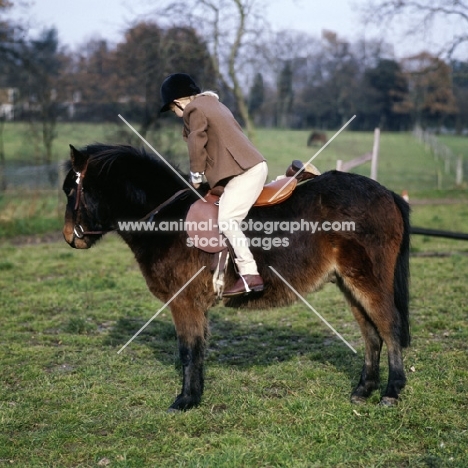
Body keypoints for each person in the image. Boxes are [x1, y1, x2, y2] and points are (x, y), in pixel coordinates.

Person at [160, 73, 268, 297]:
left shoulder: (194, 109)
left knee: (228, 220)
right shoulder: (214, 105)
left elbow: (197, 140)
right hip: (245, 168)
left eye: (173, 110)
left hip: (245, 171)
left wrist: (196, 173)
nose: (177, 115)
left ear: (179, 101)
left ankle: (250, 275)